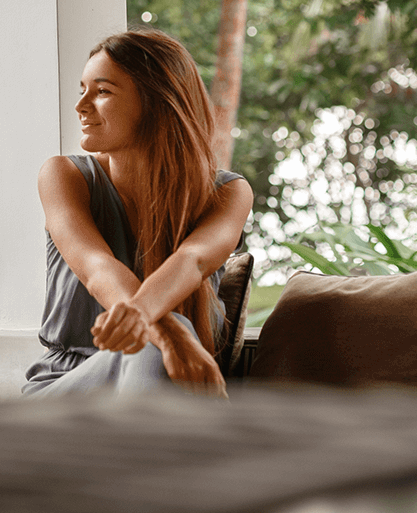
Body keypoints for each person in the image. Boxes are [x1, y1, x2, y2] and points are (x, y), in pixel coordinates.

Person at [23, 28, 254, 397]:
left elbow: (193, 260)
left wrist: (153, 322)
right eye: (82, 90)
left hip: (161, 400)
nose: (81, 106)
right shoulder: (64, 176)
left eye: (102, 92)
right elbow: (97, 268)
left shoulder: (228, 192)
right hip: (65, 397)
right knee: (150, 343)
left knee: (152, 349)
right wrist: (167, 330)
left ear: (157, 101)